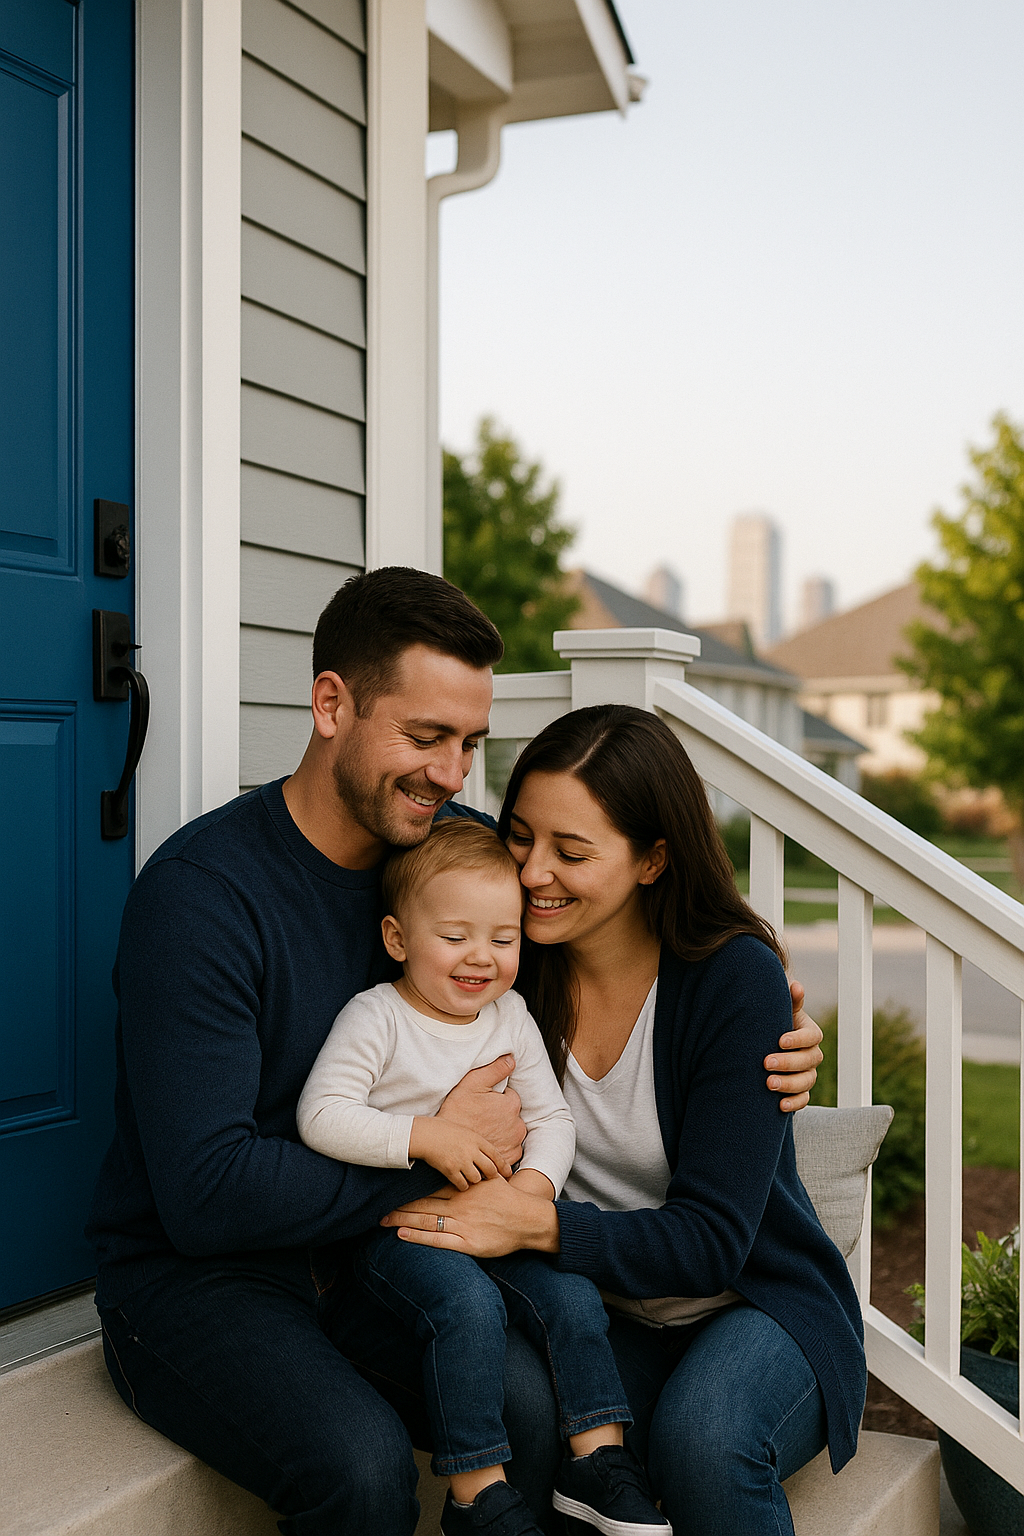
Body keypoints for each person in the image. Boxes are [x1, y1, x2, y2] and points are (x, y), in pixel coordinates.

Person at [86, 567, 823, 1536]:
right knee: (360, 1467)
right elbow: (208, 1194)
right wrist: (446, 1146)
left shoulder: (459, 862)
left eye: (470, 743)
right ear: (330, 705)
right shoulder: (203, 898)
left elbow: (615, 905)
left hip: (381, 1253)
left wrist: (760, 1006)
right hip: (209, 1272)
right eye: (426, 736)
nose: (450, 774)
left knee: (527, 1409)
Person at [360, 705, 867, 1536]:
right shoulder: (502, 966)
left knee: (703, 1440)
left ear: (653, 860)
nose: (532, 872)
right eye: (519, 837)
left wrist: (536, 1224)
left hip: (753, 1303)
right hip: (595, 1312)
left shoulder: (730, 981)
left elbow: (711, 1243)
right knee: (520, 1413)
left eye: (572, 853)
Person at [297, 818, 669, 1536]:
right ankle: (476, 1493)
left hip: (498, 1222)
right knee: (466, 1308)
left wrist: (531, 1192)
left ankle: (597, 1461)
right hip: (402, 1233)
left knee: (572, 1295)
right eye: (455, 936)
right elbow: (322, 1115)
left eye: (503, 939)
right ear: (398, 939)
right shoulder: (377, 1017)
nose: (481, 957)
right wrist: (424, 1136)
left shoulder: (510, 1016)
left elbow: (553, 1119)